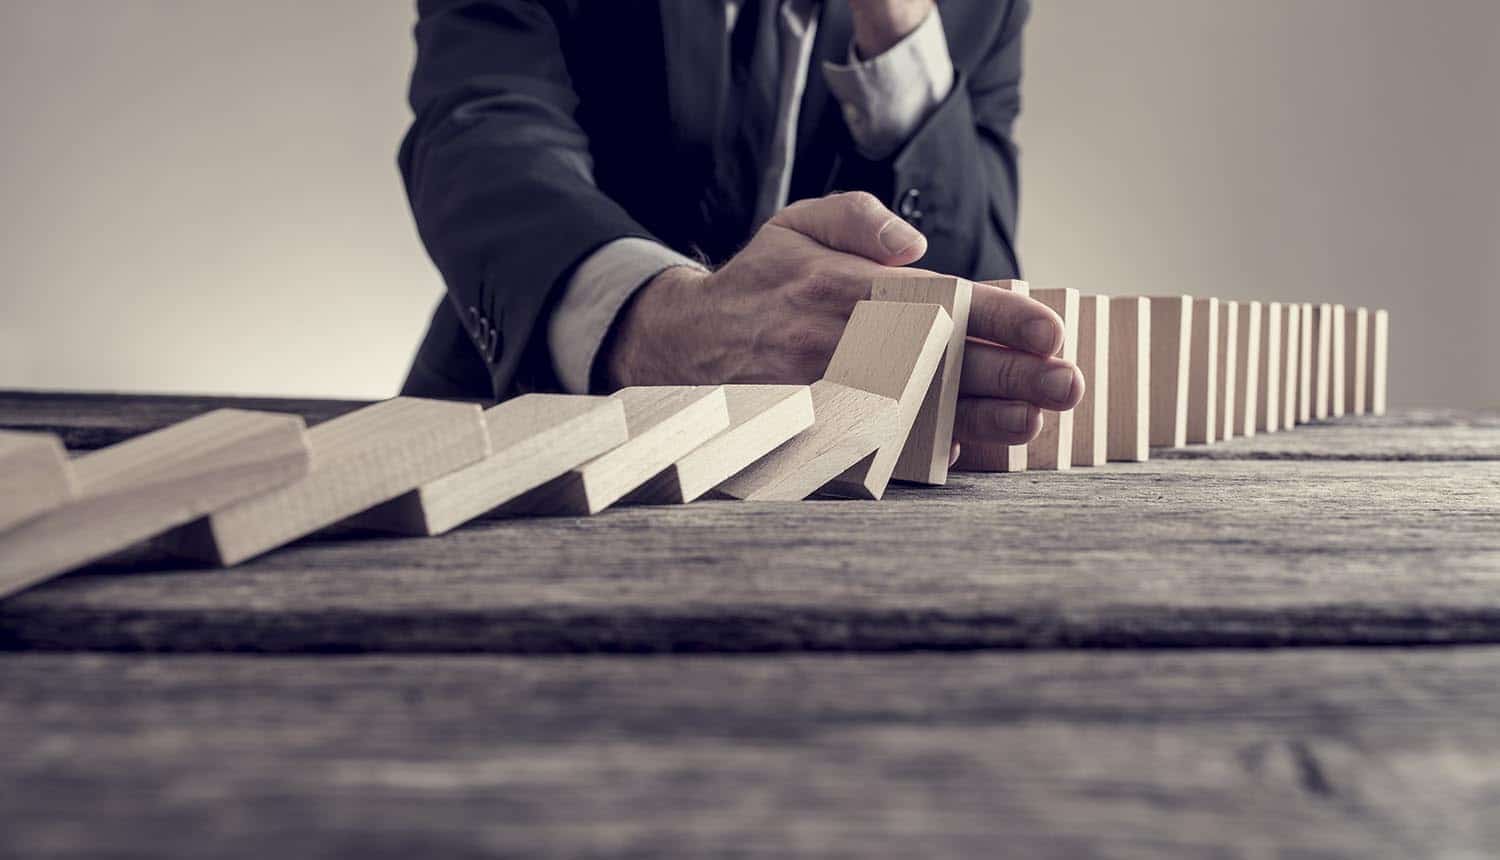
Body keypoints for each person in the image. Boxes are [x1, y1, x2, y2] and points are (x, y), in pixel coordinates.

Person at [398, 0, 1081, 470]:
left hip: (834, 491)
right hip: (520, 441)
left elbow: (975, 281)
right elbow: (482, 134)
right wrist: (653, 326)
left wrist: (902, 41)